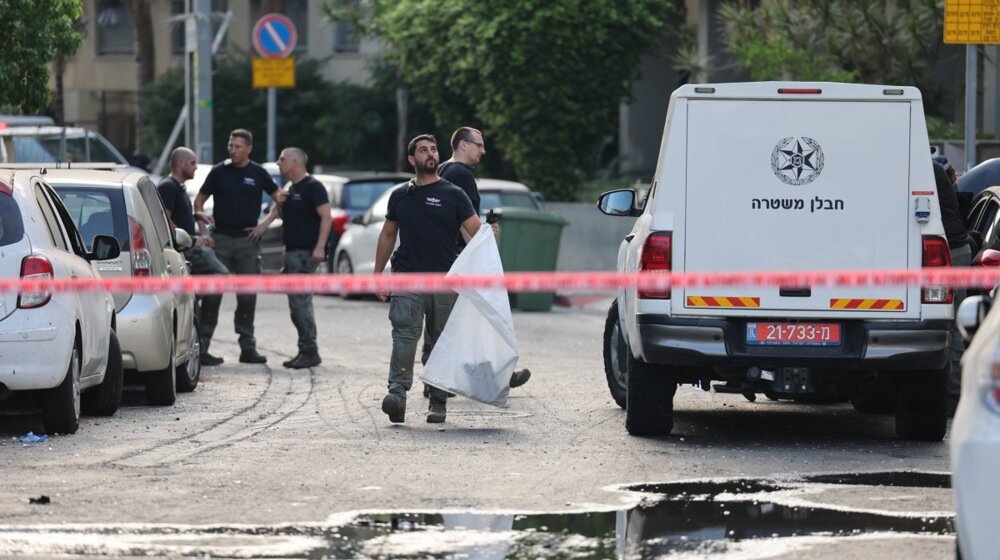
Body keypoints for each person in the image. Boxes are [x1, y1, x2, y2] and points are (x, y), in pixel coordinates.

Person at [375, 134, 482, 424]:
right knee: (404, 338)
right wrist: (378, 274)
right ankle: (396, 394)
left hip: (445, 282)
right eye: (423, 150)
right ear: (412, 160)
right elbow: (388, 234)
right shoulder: (401, 196)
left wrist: (486, 241)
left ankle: (437, 400)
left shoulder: (454, 194)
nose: (430, 154)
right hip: (408, 279)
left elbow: (475, 231)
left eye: (433, 149)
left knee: (440, 343)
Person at [437, 126, 532, 390]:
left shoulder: (444, 169)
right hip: (463, 258)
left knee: (458, 320)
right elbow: (459, 219)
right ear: (463, 145)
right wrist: (478, 247)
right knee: (485, 316)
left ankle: (479, 374)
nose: (483, 150)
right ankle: (496, 374)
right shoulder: (461, 174)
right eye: (479, 145)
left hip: (452, 258)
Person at [194, 129, 286, 365]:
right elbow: (199, 202)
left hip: (248, 241)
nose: (232, 150)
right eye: (230, 145)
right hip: (221, 240)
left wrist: (264, 225)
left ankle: (248, 348)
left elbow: (280, 198)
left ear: (248, 149)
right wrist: (204, 233)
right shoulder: (219, 172)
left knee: (247, 296)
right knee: (213, 296)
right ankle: (202, 347)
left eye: (237, 146)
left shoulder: (257, 173)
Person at [157, 147, 231, 365]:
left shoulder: (178, 188)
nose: (196, 167)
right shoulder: (168, 187)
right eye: (192, 163)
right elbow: (166, 221)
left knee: (216, 285)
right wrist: (193, 238)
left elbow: (177, 216)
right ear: (180, 163)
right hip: (185, 251)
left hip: (189, 249)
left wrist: (195, 215)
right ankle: (193, 306)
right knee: (223, 277)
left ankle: (201, 343)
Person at [258, 147, 331, 369]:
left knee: (301, 304)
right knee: (295, 306)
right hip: (291, 253)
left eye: (282, 159)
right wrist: (278, 205)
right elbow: (282, 214)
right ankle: (305, 349)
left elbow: (326, 218)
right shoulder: (291, 188)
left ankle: (310, 351)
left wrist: (320, 247)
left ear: (295, 162)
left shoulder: (313, 187)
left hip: (305, 254)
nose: (278, 163)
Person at [933, 158, 971, 415]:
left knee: (954, 323)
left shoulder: (925, 170)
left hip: (950, 248)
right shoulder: (934, 169)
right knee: (953, 323)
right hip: (954, 246)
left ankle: (953, 397)